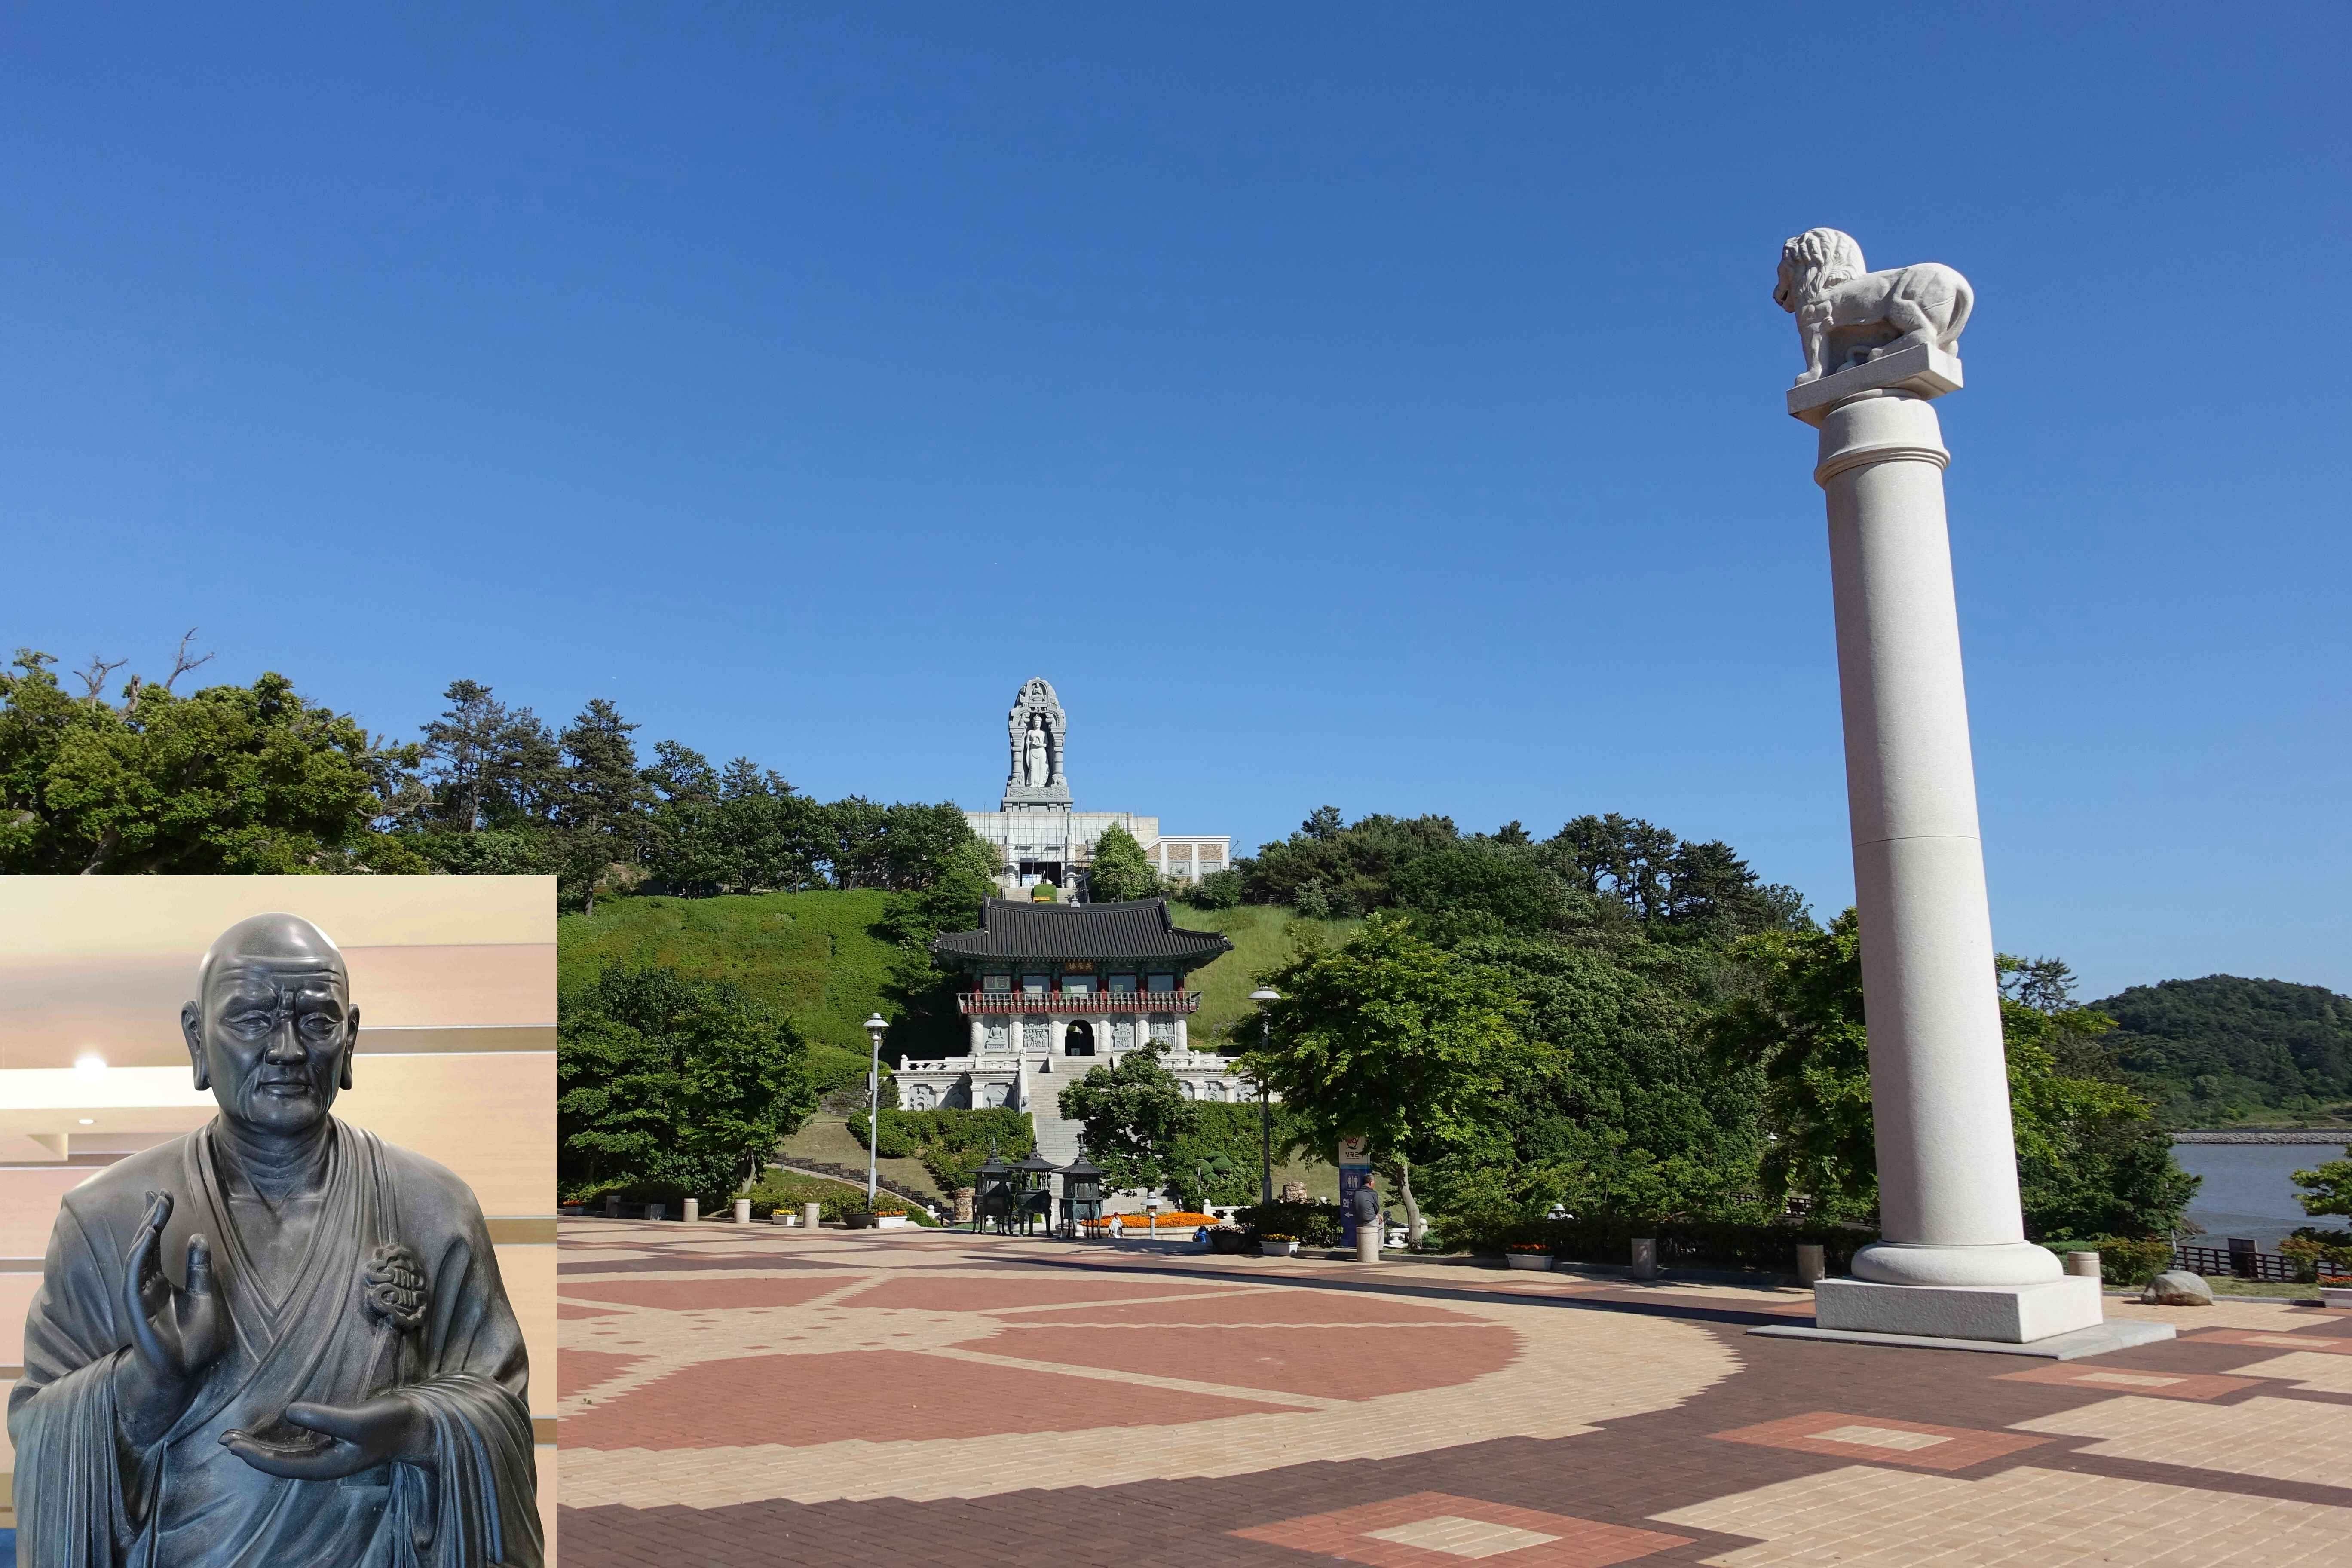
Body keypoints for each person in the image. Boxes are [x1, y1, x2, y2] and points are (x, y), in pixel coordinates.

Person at [9, 913, 540, 1567]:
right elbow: (39, 1431)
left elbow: (502, 1410)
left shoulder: (432, 1204)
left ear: (350, 1039)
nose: (287, 1049)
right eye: (251, 1019)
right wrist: (148, 1382)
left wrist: (415, 1426)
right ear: (196, 1037)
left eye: (317, 1022)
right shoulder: (106, 1218)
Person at [1353, 1173, 1384, 1264]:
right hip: (1369, 1220)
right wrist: (1378, 1214)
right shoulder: (1373, 1193)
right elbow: (1377, 1208)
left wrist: (1377, 1214)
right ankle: (1378, 1248)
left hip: (1358, 1220)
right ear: (1370, 1183)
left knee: (1378, 1218)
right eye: (1374, 1182)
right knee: (1381, 1224)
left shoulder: (1356, 1192)